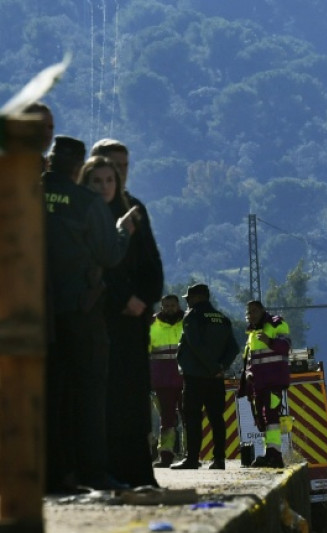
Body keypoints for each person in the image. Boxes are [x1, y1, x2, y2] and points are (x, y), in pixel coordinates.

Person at [43, 135, 137, 492]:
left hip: (36, 312)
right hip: (80, 310)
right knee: (89, 393)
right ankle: (93, 472)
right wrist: (123, 233)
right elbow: (108, 255)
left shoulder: (24, 194)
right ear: (78, 167)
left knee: (50, 393)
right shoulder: (85, 202)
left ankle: (53, 473)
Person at [78, 154, 164, 488]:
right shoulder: (84, 216)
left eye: (109, 180)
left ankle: (139, 470)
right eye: (97, 181)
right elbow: (98, 265)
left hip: (133, 324)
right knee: (105, 399)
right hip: (101, 318)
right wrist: (122, 298)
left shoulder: (134, 213)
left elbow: (152, 264)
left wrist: (143, 298)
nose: (105, 187)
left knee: (134, 398)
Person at [171, 284, 239, 470]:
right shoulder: (222, 318)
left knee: (192, 417)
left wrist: (212, 368)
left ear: (198, 297)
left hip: (195, 377)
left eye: (188, 298)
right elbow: (234, 348)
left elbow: (195, 345)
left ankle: (192, 459)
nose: (187, 302)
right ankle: (219, 459)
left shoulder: (192, 316)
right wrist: (221, 367)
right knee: (217, 418)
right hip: (216, 378)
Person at [242, 300, 291, 468]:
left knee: (272, 416)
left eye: (254, 311)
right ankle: (269, 453)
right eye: (248, 312)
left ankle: (275, 455)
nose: (251, 315)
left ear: (263, 310)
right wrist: (248, 373)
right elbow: (251, 359)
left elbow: (285, 346)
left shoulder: (277, 323)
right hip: (258, 383)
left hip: (274, 380)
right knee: (262, 419)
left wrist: (269, 341)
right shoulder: (251, 332)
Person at [148, 295, 185, 468]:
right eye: (166, 306)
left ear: (178, 305)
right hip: (162, 379)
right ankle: (166, 455)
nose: (170, 308)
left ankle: (191, 455)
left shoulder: (187, 321)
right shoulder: (152, 324)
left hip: (185, 378)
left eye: (173, 305)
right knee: (166, 419)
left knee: (188, 417)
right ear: (161, 307)